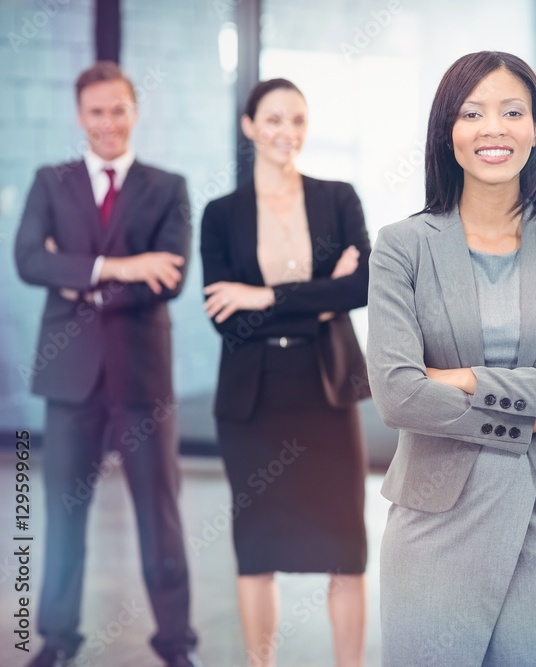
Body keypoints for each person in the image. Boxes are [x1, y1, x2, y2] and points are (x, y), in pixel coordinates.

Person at [366, 51, 536, 666]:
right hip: (436, 523)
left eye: (513, 112)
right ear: (447, 134)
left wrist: (461, 380)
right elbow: (398, 394)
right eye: (472, 112)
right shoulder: (401, 247)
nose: (494, 128)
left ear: (535, 130)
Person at [14, 62, 199, 667]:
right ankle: (57, 639)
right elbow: (27, 261)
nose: (108, 122)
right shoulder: (51, 182)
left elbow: (168, 278)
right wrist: (118, 267)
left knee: (160, 515)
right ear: (80, 116)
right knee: (64, 512)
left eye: (118, 109)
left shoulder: (167, 186)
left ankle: (176, 644)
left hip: (142, 376)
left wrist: (76, 275)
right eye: (96, 111)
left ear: (134, 111)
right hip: (70, 378)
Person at [200, 79, 370, 667]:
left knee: (346, 547)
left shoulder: (338, 198)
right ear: (249, 126)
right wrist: (322, 296)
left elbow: (363, 285)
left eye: (297, 120)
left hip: (326, 389)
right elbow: (226, 318)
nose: (286, 133)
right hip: (254, 397)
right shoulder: (220, 215)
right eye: (273, 120)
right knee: (257, 549)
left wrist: (262, 295)